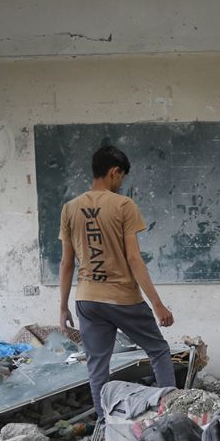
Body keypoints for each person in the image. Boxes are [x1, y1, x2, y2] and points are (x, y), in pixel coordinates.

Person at [59, 145, 176, 420]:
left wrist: (63, 307)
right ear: (114, 172)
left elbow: (66, 264)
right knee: (159, 351)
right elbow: (135, 260)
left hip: (87, 299)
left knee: (98, 365)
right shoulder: (124, 205)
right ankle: (170, 414)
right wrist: (157, 305)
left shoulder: (69, 208)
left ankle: (104, 425)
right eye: (121, 177)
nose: (120, 183)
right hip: (123, 298)